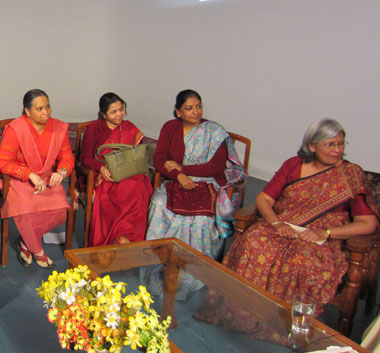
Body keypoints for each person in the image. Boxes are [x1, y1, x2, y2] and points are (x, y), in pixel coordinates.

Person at [195, 118, 378, 343]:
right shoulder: (293, 165)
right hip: (282, 225)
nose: (337, 150)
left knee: (301, 260)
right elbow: (264, 199)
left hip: (320, 237)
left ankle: (284, 327)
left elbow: (367, 223)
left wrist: (326, 233)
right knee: (252, 242)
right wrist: (276, 224)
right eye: (330, 144)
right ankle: (239, 316)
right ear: (312, 146)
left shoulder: (349, 175)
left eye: (341, 144)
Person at [145, 89, 246, 299]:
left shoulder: (214, 132)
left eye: (198, 106)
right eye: (189, 108)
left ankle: (192, 273)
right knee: (158, 204)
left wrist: (184, 170)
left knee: (200, 221)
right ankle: (159, 264)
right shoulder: (170, 128)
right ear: (178, 112)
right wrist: (178, 176)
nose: (195, 112)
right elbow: (159, 160)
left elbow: (216, 167)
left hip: (206, 183)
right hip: (175, 182)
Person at [0, 89, 75, 268]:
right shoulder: (16, 129)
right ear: (27, 111)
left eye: (48, 106)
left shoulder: (58, 128)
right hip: (19, 179)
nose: (46, 112)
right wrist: (29, 174)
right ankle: (38, 251)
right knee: (25, 208)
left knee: (60, 211)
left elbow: (67, 157)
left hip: (47, 178)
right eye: (39, 109)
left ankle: (25, 243)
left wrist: (61, 172)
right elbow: (2, 162)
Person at [79, 92, 153, 246]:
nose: (119, 114)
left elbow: (137, 155)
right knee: (115, 194)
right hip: (105, 176)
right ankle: (119, 236)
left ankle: (130, 237)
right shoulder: (95, 129)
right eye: (113, 112)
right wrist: (102, 169)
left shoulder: (129, 127)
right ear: (103, 114)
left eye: (121, 109)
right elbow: (85, 159)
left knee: (140, 187)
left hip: (129, 172)